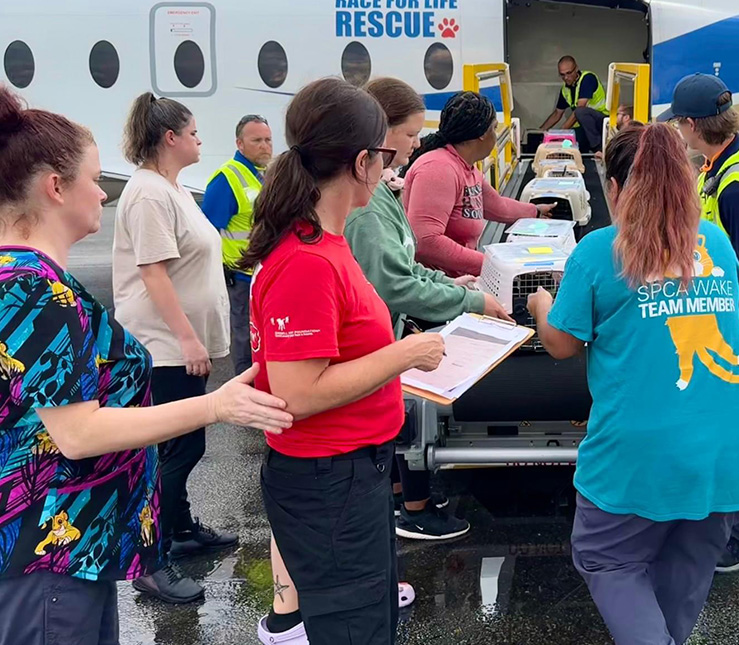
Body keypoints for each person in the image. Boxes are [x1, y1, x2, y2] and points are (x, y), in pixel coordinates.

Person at [0, 85, 291, 645]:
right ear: (54, 188)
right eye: (92, 179)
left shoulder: (34, 281)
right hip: (47, 557)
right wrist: (215, 405)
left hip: (63, 551)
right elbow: (79, 434)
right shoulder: (32, 290)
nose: (103, 195)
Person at [526, 124, 739, 645]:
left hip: (640, 453)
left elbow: (562, 344)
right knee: (681, 575)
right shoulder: (717, 243)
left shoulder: (600, 251)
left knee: (606, 558)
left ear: (612, 188)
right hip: (725, 452)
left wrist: (541, 303)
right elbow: (736, 323)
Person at [238, 77, 445, 645]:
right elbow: (299, 392)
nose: (391, 165)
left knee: (369, 617)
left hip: (351, 471)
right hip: (331, 479)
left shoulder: (326, 244)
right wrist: (405, 353)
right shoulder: (308, 261)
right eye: (385, 153)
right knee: (357, 629)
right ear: (361, 162)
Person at [346, 77, 515, 542]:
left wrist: (450, 283)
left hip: (385, 332)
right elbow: (397, 278)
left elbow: (406, 263)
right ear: (379, 132)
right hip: (370, 341)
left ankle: (402, 500)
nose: (418, 143)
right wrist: (471, 296)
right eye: (409, 134)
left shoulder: (380, 192)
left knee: (395, 425)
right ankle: (405, 510)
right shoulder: (368, 206)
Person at [660, 72, 739, 573]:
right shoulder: (718, 164)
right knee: (734, 424)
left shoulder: (737, 183)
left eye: (679, 125)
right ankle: (732, 523)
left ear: (693, 124)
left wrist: (701, 300)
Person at [113, 92, 236, 604]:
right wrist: (187, 338)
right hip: (164, 346)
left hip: (181, 342)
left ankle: (180, 530)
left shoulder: (171, 188)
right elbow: (152, 272)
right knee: (178, 449)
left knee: (185, 444)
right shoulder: (147, 194)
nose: (199, 139)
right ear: (170, 139)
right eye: (192, 132)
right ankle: (150, 559)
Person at [404, 91, 555, 278]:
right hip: (436, 287)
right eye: (494, 128)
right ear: (483, 134)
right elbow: (426, 241)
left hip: (459, 280)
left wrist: (536, 211)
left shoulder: (465, 167)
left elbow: (497, 206)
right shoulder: (438, 168)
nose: (496, 134)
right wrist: (493, 266)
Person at [201, 114, 274, 374]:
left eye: (268, 140)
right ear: (239, 144)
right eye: (257, 140)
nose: (265, 146)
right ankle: (247, 384)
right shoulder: (227, 178)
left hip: (264, 273)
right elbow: (207, 232)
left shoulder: (266, 174)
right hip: (241, 276)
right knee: (245, 336)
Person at [538, 55, 610, 153]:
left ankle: (598, 148)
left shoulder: (588, 78)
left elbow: (579, 109)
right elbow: (557, 114)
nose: (566, 77)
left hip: (601, 123)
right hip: (584, 127)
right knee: (570, 145)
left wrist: (561, 132)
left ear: (576, 68)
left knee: (580, 112)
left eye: (569, 73)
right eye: (562, 75)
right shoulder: (565, 89)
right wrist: (540, 132)